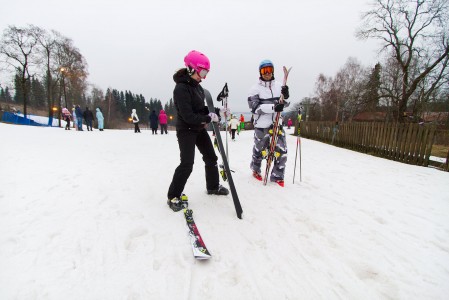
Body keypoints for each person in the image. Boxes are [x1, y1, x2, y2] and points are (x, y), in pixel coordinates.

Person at [166, 50, 229, 212]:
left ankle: (213, 186)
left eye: (206, 72)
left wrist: (218, 111)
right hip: (186, 130)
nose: (204, 76)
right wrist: (209, 118)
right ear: (191, 68)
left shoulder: (198, 88)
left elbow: (201, 109)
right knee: (187, 164)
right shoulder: (181, 89)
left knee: (211, 157)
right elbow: (188, 116)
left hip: (198, 128)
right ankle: (173, 196)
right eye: (202, 72)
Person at [247, 59, 290, 187]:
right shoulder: (255, 89)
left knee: (282, 150)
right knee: (260, 149)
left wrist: (286, 96)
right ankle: (255, 168)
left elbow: (285, 104)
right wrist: (272, 107)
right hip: (261, 125)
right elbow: (254, 107)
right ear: (260, 72)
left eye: (269, 70)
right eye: (264, 70)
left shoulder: (278, 86)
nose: (267, 73)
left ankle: (277, 176)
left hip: (277, 123)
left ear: (273, 71)